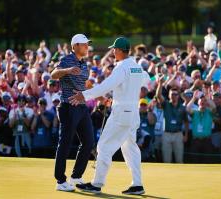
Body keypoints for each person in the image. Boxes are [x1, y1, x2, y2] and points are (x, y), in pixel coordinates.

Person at [69, 37, 150, 195]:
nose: (113, 52)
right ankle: (137, 184)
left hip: (121, 113)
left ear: (120, 50)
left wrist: (84, 95)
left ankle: (97, 183)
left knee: (104, 147)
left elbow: (106, 86)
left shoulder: (121, 68)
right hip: (133, 113)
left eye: (114, 49)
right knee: (130, 148)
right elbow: (146, 80)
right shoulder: (137, 67)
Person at [50, 34, 94, 192]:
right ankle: (60, 181)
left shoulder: (84, 63)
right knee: (65, 143)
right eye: (83, 44)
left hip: (82, 107)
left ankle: (76, 177)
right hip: (68, 107)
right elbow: (53, 74)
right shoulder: (67, 59)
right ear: (75, 46)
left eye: (87, 44)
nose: (86, 47)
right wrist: (68, 70)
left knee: (89, 141)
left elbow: (86, 84)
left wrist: (101, 97)